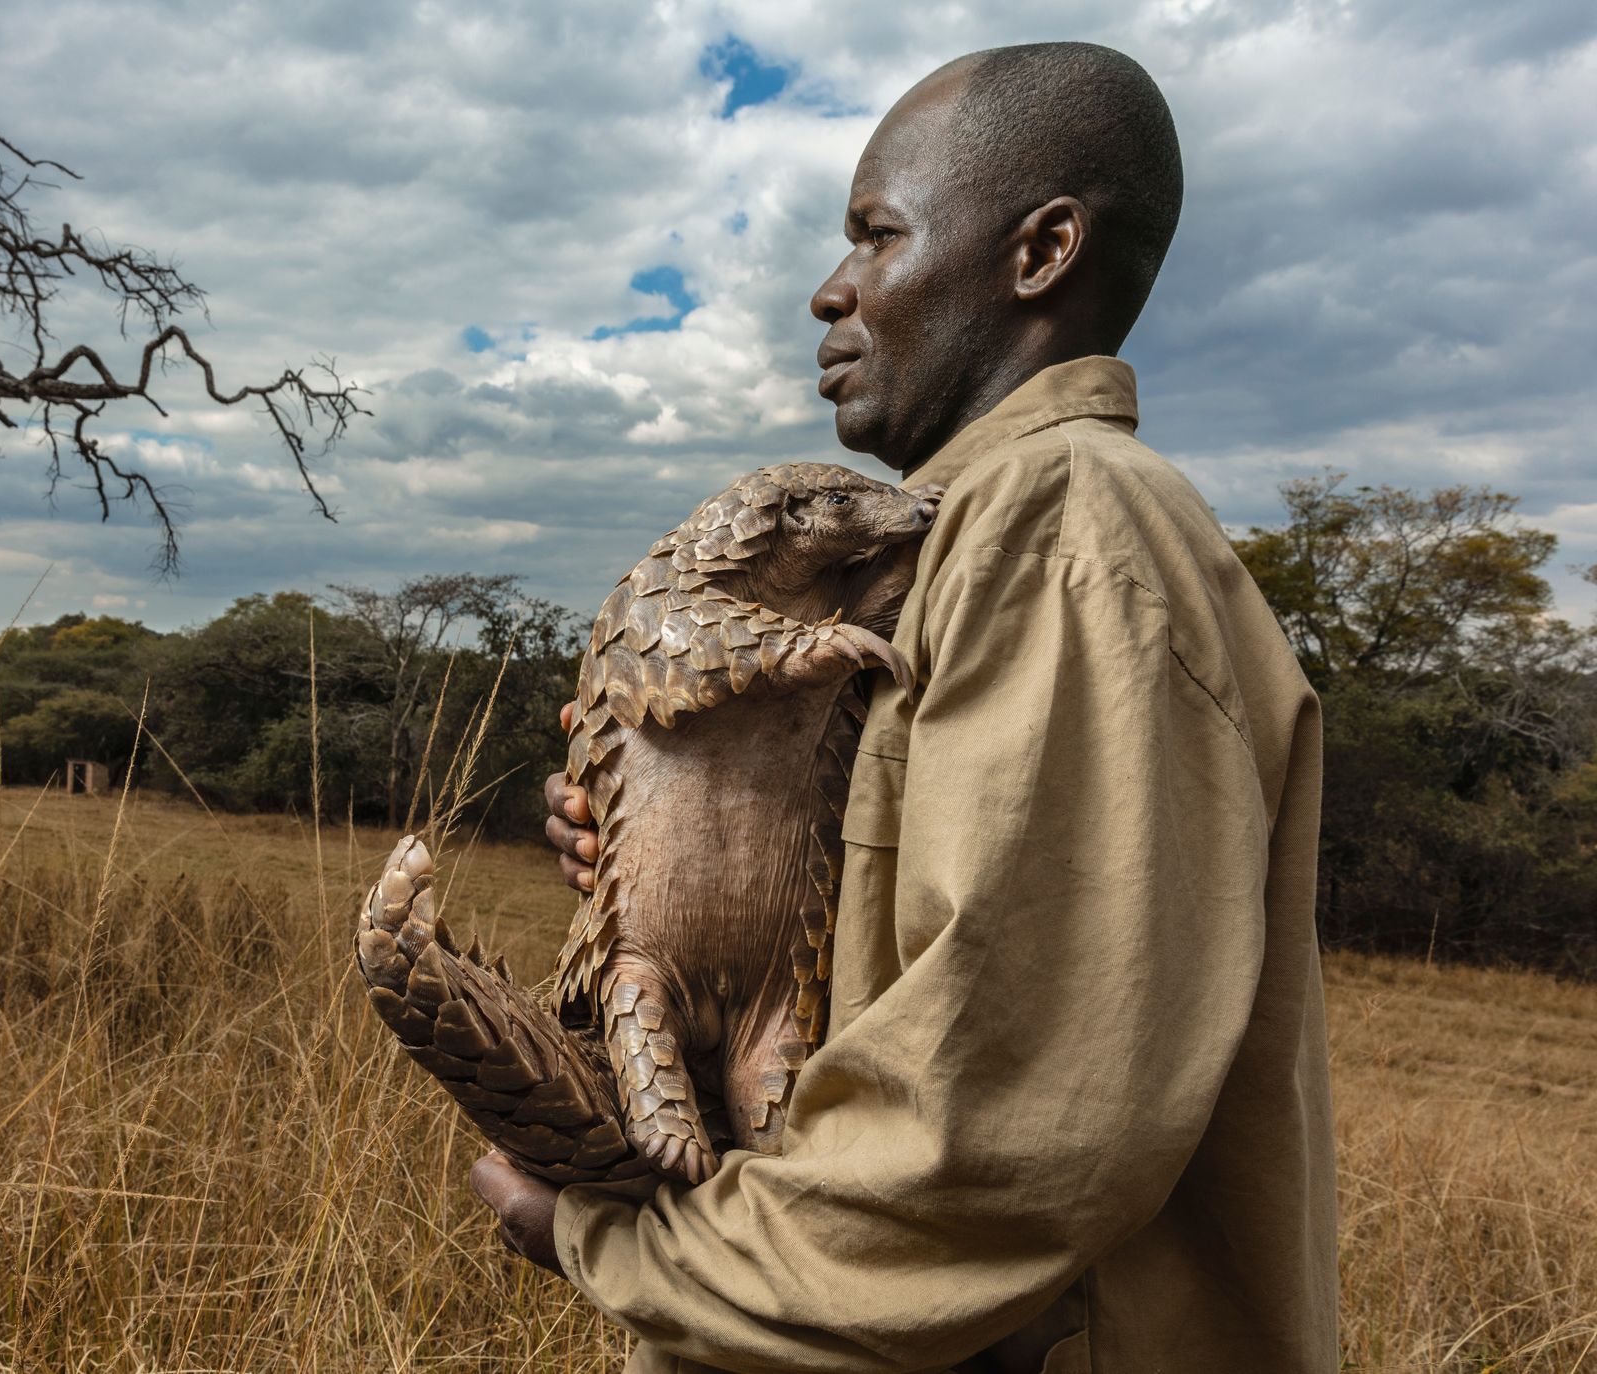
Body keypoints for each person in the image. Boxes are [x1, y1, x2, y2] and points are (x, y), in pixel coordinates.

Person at [472, 41, 1338, 1374]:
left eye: (877, 234)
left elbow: (1006, 1115)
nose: (831, 290)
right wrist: (687, 857)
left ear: (1041, 252)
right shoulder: (937, 552)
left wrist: (616, 1245)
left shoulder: (1065, 530)